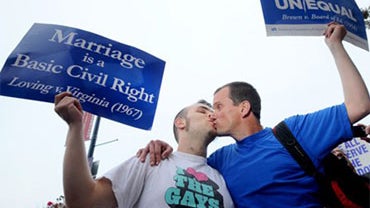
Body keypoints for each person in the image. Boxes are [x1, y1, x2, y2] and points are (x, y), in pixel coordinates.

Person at [137, 22, 370, 207]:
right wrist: (161, 147)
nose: (212, 115)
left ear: (243, 108)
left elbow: (359, 105)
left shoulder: (294, 133)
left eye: (218, 106)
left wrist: (335, 45)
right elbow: (185, 163)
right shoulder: (219, 160)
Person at [54, 91, 234, 208]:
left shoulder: (223, 177)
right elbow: (83, 202)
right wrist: (75, 126)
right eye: (203, 111)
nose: (212, 114)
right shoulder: (150, 160)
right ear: (180, 123)